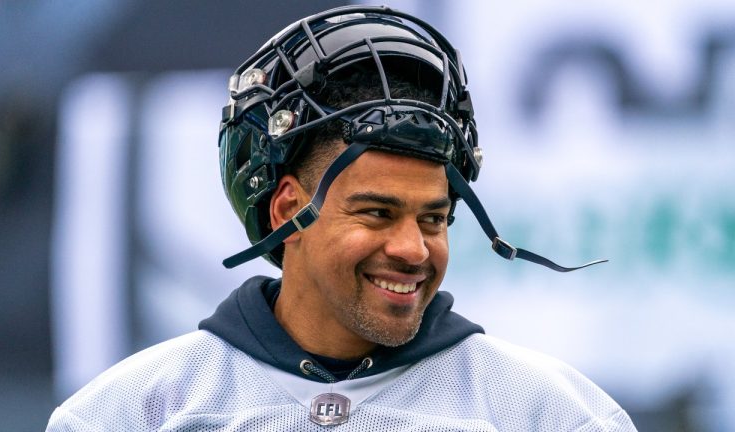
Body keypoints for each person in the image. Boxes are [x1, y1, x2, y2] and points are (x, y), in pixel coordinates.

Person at [47, 6, 636, 431]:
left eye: (434, 219)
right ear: (288, 210)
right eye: (378, 213)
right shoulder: (127, 415)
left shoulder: (553, 415)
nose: (414, 249)